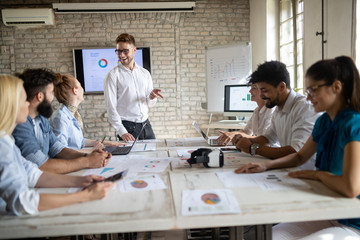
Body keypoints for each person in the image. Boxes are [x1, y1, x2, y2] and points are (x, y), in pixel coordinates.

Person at [235, 56, 360, 239]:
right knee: (271, 236)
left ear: (336, 87)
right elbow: (300, 156)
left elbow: (351, 188)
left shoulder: (353, 124)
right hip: (328, 211)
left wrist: (316, 174)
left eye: (313, 90)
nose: (308, 97)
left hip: (353, 220)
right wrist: (264, 166)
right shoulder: (324, 122)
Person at [0, 74, 114, 216]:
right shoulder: (2, 146)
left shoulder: (6, 139)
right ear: (9, 105)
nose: (28, 104)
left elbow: (33, 174)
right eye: (24, 100)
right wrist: (85, 196)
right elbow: (21, 202)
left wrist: (82, 181)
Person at [12, 68, 111, 174]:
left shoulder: (41, 119)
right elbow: (41, 166)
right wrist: (87, 161)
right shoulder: (21, 124)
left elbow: (58, 149)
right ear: (40, 96)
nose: (53, 97)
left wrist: (89, 156)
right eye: (51, 93)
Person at [232, 61, 321, 170]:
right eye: (259, 90)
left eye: (264, 90)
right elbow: (268, 137)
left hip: (307, 174)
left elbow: (296, 151)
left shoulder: (304, 107)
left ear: (281, 87)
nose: (261, 95)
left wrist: (252, 148)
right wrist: (245, 141)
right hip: (289, 170)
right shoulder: (278, 108)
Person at [104, 33, 163, 142]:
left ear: (134, 50)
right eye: (119, 51)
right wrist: (122, 132)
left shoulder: (145, 73)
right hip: (128, 128)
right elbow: (111, 108)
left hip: (146, 125)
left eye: (125, 51)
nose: (121, 55)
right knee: (130, 159)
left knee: (153, 156)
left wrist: (152, 97)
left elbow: (149, 104)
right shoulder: (113, 75)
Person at [50, 73, 125, 150]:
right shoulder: (60, 117)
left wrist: (106, 143)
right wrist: (91, 152)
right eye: (80, 86)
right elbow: (61, 151)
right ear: (75, 91)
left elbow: (80, 142)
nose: (82, 89)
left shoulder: (72, 114)